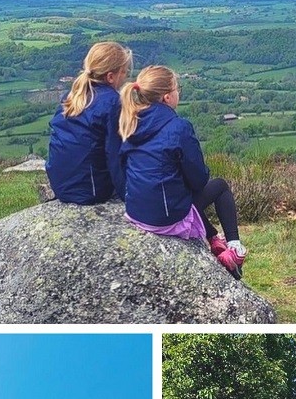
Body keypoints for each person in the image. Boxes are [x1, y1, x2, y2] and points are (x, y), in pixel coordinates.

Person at [118, 65, 248, 279]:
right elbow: (198, 180)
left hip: (136, 211)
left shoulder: (129, 123)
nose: (179, 92)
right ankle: (234, 248)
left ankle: (215, 239)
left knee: (180, 193)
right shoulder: (179, 127)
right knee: (220, 186)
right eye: (178, 88)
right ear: (167, 97)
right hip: (165, 217)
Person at [45, 42, 132, 205]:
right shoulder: (113, 103)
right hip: (90, 190)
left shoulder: (72, 94)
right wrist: (128, 196)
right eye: (124, 72)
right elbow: (115, 154)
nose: (126, 77)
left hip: (60, 185)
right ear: (111, 77)